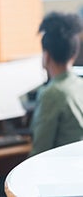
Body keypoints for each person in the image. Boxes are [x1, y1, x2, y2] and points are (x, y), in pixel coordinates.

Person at [29, 11, 83, 156]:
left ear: (46, 56)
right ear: (73, 54)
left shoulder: (52, 93)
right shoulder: (80, 84)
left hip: (61, 172)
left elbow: (39, 151)